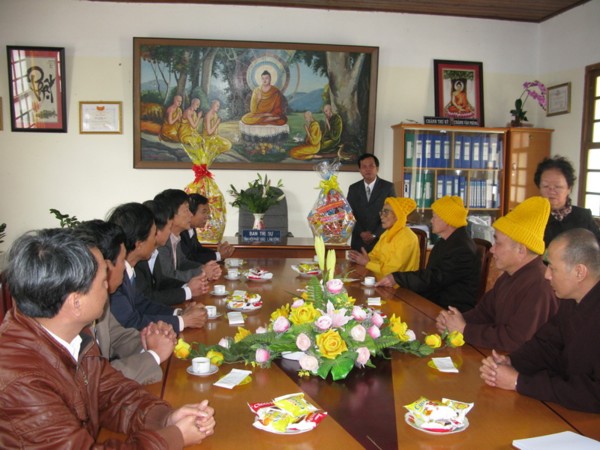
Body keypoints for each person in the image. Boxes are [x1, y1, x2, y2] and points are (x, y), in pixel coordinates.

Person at [0, 228, 215, 447]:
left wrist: (165, 419)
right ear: (76, 302)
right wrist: (174, 437)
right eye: (103, 280)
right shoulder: (22, 382)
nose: (110, 284)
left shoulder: (75, 335)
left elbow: (111, 393)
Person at [480, 228, 600, 413]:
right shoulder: (571, 299)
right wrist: (512, 362)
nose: (546, 275)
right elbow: (547, 344)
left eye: (552, 268)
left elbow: (594, 393)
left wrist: (519, 382)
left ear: (579, 272)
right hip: (562, 407)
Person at [436, 196, 559, 352]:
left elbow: (517, 340)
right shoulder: (509, 276)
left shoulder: (539, 285)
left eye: (498, 243)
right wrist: (452, 321)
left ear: (521, 250)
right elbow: (484, 313)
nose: (492, 249)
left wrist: (465, 330)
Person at [75, 220, 176, 385]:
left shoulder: (100, 301)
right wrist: (154, 356)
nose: (125, 267)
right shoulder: (73, 314)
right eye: (123, 261)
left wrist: (150, 341)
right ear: (105, 266)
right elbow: (95, 381)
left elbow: (119, 337)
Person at [108, 202, 208, 333]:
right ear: (139, 244)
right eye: (154, 234)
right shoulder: (113, 278)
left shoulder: (129, 268)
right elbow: (131, 322)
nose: (156, 239)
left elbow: (143, 304)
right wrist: (183, 321)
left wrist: (179, 314)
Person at [376, 196, 480, 312]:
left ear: (447, 220)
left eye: (434, 217)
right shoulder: (446, 241)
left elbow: (434, 278)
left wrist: (397, 278)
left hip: (451, 311)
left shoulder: (462, 249)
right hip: (434, 301)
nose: (431, 221)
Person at [136, 199, 210, 306]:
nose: (170, 232)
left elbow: (162, 281)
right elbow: (147, 299)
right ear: (156, 231)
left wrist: (187, 287)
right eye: (169, 227)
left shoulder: (153, 252)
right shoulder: (139, 259)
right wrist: (187, 291)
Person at [155, 189, 221, 282]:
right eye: (186, 210)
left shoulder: (175, 237)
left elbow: (182, 263)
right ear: (171, 214)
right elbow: (168, 276)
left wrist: (204, 268)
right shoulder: (161, 242)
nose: (191, 214)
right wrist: (203, 272)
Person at [534, 155, 600, 246]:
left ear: (569, 188)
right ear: (539, 188)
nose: (551, 191)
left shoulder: (584, 216)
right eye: (546, 186)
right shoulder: (532, 216)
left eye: (558, 186)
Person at [348, 197, 420, 278]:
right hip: (379, 279)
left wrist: (367, 263)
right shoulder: (386, 234)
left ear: (398, 215)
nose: (381, 216)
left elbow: (392, 271)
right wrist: (359, 258)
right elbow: (374, 256)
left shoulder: (407, 238)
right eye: (381, 212)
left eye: (386, 212)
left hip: (397, 284)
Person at [347, 153, 396, 252]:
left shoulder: (388, 187)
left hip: (381, 239)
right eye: (364, 167)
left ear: (377, 168)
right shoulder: (353, 188)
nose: (368, 169)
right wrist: (361, 232)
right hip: (359, 241)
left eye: (371, 166)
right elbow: (349, 214)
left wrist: (375, 234)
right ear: (360, 170)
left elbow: (392, 213)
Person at [181, 193, 235, 264]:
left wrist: (219, 253)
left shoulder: (191, 229)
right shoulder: (180, 232)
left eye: (207, 213)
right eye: (204, 212)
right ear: (190, 212)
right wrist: (218, 255)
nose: (207, 217)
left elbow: (198, 250)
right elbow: (189, 259)